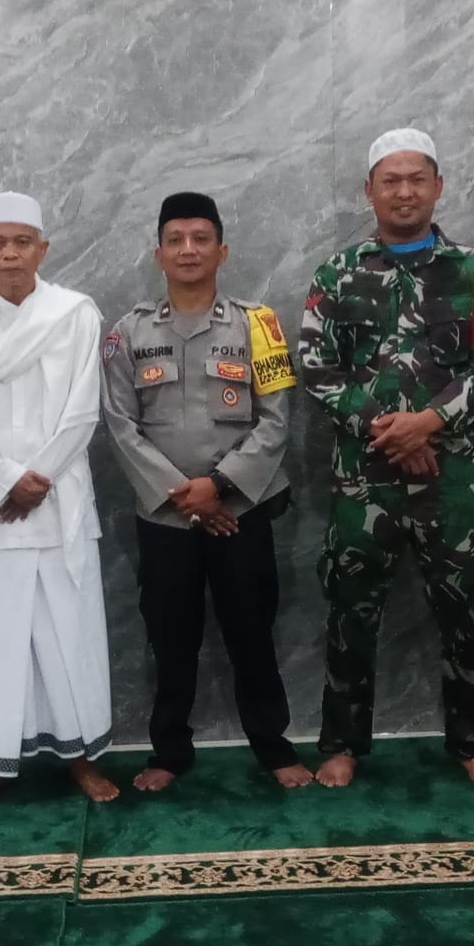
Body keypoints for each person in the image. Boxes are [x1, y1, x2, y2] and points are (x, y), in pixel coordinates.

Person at [298, 128, 474, 790]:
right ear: (369, 190)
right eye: (390, 181)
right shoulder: (336, 273)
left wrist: (428, 424)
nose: (404, 192)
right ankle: (342, 745)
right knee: (350, 606)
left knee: (463, 604)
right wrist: (388, 430)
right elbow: (316, 367)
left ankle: (473, 744)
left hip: (449, 477)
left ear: (438, 186)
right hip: (363, 479)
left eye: (417, 179)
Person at [102, 192, 313, 792]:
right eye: (175, 239)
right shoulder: (129, 332)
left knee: (252, 631)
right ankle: (168, 751)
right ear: (159, 254)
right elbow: (119, 424)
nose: (188, 249)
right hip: (166, 520)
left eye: (201, 238)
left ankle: (272, 746)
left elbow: (276, 419)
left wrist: (218, 488)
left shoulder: (258, 325)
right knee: (170, 637)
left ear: (222, 251)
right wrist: (184, 495)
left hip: (240, 513)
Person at [0, 191, 118, 806]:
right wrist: (4, 480)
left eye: (22, 242)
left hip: (59, 506)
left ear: (43, 249)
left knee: (70, 636)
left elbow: (84, 409)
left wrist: (38, 478)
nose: (10, 254)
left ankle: (82, 758)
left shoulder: (74, 313)